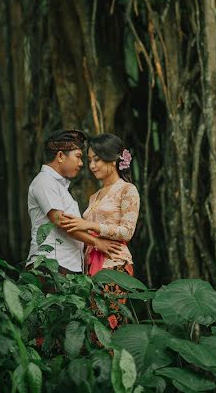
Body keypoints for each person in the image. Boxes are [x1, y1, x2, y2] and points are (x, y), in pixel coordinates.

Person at [61, 133, 140, 330]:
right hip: (91, 267)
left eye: (97, 159)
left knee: (109, 324)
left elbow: (127, 231)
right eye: (89, 160)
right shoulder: (94, 197)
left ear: (113, 159)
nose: (92, 165)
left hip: (115, 264)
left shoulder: (127, 190)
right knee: (94, 327)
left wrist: (88, 226)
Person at [25, 129, 123, 277]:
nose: (81, 163)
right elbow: (61, 221)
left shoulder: (60, 187)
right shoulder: (44, 181)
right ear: (60, 156)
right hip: (49, 265)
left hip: (67, 266)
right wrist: (97, 242)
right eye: (78, 157)